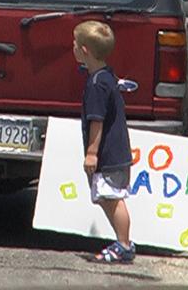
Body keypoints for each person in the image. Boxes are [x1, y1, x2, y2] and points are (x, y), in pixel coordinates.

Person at [72, 20, 135, 264]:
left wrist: (91, 153)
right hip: (115, 153)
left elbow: (96, 121)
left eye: (75, 45)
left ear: (85, 51)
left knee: (112, 198)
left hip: (108, 154)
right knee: (108, 198)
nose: (73, 48)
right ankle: (123, 241)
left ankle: (124, 244)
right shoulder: (106, 76)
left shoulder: (98, 84)